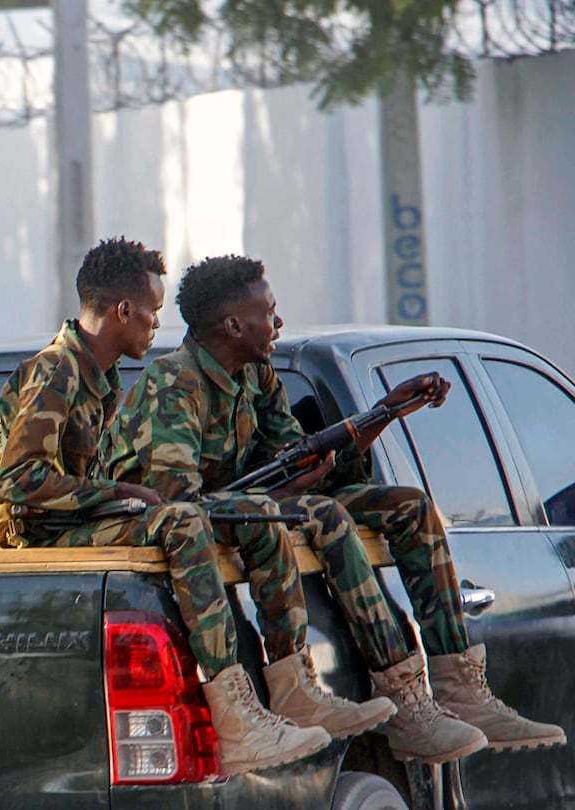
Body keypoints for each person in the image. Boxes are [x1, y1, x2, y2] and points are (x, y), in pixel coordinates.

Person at [108, 254, 567, 764]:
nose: (278, 323)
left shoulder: (256, 374)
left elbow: (306, 458)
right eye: (270, 312)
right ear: (235, 324)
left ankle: (460, 688)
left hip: (250, 511)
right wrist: (284, 494)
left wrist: (384, 413)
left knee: (408, 508)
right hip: (179, 525)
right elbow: (180, 500)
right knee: (324, 515)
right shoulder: (174, 382)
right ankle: (403, 699)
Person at [0, 237, 359, 775]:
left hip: (71, 523)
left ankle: (291, 688)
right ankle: (235, 720)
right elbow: (18, 481)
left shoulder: (94, 376)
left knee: (254, 512)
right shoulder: (59, 370)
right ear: (123, 311)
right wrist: (119, 494)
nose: (156, 326)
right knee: (183, 520)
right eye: (153, 312)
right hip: (37, 534)